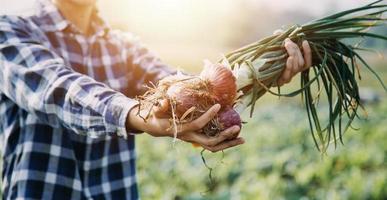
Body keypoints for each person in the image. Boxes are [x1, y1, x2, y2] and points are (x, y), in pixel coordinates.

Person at [0, 0, 312, 199]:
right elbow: (58, 88)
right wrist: (135, 114)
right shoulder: (11, 30)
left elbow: (184, 86)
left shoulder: (124, 46)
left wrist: (263, 74)